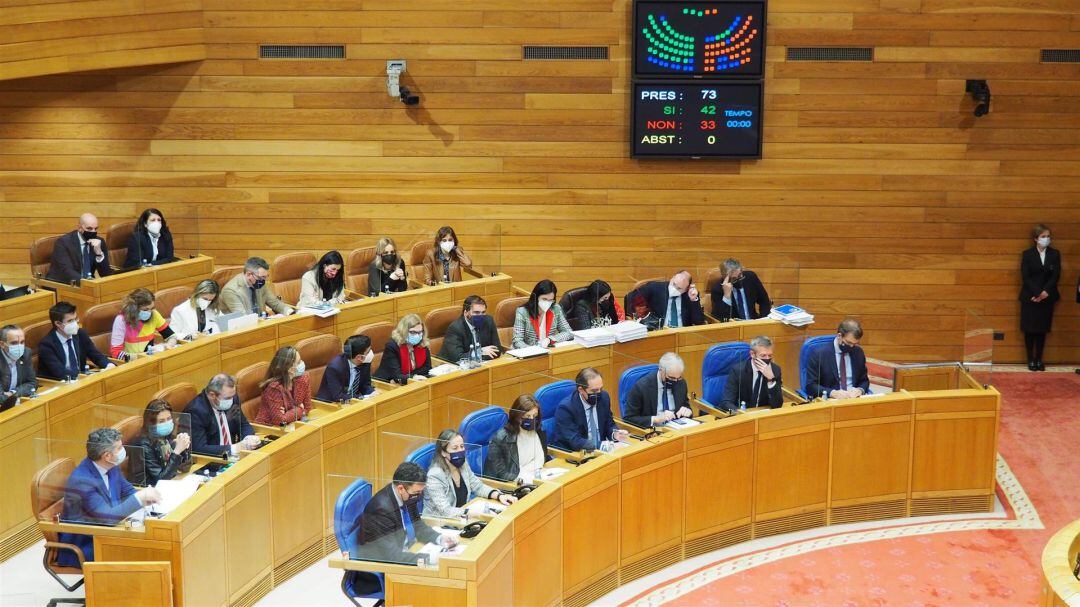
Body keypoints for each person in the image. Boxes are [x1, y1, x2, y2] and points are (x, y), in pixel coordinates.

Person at [56, 428, 162, 567]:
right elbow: (108, 519)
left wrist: (147, 498)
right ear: (107, 456)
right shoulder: (82, 480)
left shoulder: (111, 466)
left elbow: (128, 490)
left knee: (157, 541)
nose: (123, 450)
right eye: (119, 448)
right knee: (149, 549)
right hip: (86, 542)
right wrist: (139, 499)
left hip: (108, 531)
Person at [351, 461, 458, 594]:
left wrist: (439, 538)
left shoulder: (408, 496)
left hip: (407, 552)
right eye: (416, 492)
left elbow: (418, 526)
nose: (418, 497)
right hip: (386, 569)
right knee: (446, 583)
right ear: (401, 488)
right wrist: (428, 558)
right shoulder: (381, 509)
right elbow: (391, 556)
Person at [424, 429, 516, 519]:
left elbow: (478, 487)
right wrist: (469, 513)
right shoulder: (435, 475)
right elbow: (445, 511)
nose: (460, 451)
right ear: (443, 452)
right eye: (455, 448)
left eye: (462, 446)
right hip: (441, 523)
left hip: (463, 516)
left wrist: (499, 495)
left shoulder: (463, 464)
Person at [551, 367, 629, 451]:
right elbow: (575, 441)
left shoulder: (604, 398)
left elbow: (609, 424)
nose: (599, 394)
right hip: (577, 455)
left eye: (601, 389)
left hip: (601, 451)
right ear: (581, 390)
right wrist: (601, 446)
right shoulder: (566, 409)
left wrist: (615, 434)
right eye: (594, 391)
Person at [1019, 223, 1061, 371]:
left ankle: (1039, 359)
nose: (1046, 239)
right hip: (1030, 296)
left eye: (1048, 236)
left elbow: (1055, 275)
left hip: (1048, 297)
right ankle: (1030, 359)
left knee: (1042, 329)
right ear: (1036, 238)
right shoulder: (1027, 254)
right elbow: (1026, 277)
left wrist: (1044, 293)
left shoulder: (1054, 254)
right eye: (1043, 236)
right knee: (1030, 329)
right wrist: (1037, 293)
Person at [186, 374, 261, 457]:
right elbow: (199, 448)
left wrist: (249, 438)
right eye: (228, 398)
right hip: (213, 459)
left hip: (236, 456)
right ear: (212, 395)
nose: (232, 401)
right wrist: (233, 448)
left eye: (232, 396)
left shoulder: (232, 398)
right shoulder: (196, 411)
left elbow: (243, 424)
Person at [37, 301, 113, 380]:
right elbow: (59, 372)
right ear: (58, 324)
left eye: (75, 319)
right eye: (70, 321)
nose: (74, 323)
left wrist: (108, 365)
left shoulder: (80, 334)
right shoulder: (46, 345)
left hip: (81, 379)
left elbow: (95, 354)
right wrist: (84, 377)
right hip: (59, 384)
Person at [484, 395, 550, 483]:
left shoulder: (539, 430)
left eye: (535, 416)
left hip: (533, 476)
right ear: (517, 416)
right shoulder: (500, 439)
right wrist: (523, 478)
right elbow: (500, 474)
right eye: (527, 416)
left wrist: (534, 472)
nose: (532, 419)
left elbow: (541, 458)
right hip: (511, 485)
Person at [804, 318, 870, 400]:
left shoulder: (858, 352)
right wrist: (832, 393)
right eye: (848, 343)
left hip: (854, 399)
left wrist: (860, 390)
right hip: (830, 400)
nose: (851, 347)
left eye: (855, 344)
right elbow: (811, 386)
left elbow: (864, 380)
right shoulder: (819, 354)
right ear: (839, 336)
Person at [623, 352, 693, 428]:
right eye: (671, 378)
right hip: (653, 433)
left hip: (676, 431)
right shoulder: (641, 387)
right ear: (661, 370)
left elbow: (685, 406)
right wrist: (655, 419)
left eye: (678, 377)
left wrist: (688, 411)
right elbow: (629, 419)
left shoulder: (680, 383)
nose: (675, 381)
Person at [133, 399, 191, 486]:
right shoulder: (144, 444)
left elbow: (185, 468)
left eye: (169, 419)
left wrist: (183, 447)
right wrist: (177, 451)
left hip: (172, 481)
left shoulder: (165, 435)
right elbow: (161, 479)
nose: (167, 423)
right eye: (161, 421)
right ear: (151, 423)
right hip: (151, 489)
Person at [719, 336, 784, 412]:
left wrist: (771, 380)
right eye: (763, 355)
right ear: (752, 354)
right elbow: (726, 402)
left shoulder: (775, 370)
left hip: (763, 415)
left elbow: (777, 405)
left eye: (770, 355)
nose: (767, 359)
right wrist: (741, 414)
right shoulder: (738, 371)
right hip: (742, 415)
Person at [110, 288, 178, 359]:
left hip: (151, 359)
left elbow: (171, 336)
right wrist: (140, 357)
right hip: (131, 363)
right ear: (134, 308)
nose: (149, 312)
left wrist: (169, 345)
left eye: (151, 308)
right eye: (145, 309)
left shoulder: (154, 314)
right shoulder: (121, 320)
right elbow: (115, 352)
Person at [45, 213, 113, 283]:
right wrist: (87, 284)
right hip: (65, 284)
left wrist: (99, 254)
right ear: (79, 228)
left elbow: (105, 274)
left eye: (95, 229)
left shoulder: (99, 242)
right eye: (89, 228)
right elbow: (66, 271)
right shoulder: (63, 242)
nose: (93, 232)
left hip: (88, 284)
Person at [255, 346, 312, 426]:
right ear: (289, 368)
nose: (302, 363)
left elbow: (307, 407)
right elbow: (279, 420)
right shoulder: (274, 387)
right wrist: (299, 409)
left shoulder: (304, 378)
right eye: (298, 362)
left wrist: (288, 413)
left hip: (292, 424)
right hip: (270, 429)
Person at [219, 257, 292, 316]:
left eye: (266, 277)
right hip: (239, 329)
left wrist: (289, 311)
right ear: (249, 274)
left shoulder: (259, 284)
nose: (263, 280)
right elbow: (242, 317)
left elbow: (275, 303)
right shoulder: (231, 291)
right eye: (261, 278)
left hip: (259, 322)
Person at [438, 295, 502, 363]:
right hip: (451, 367)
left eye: (483, 312)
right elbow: (458, 358)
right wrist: (480, 352)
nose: (481, 316)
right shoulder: (455, 328)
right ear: (466, 313)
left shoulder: (488, 321)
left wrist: (476, 357)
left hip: (478, 366)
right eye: (476, 312)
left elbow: (497, 351)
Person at [511, 279, 573, 349]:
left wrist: (550, 339)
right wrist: (533, 351)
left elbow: (569, 332)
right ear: (535, 297)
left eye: (550, 300)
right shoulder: (522, 312)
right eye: (544, 299)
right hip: (528, 353)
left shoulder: (556, 309)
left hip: (547, 351)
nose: (547, 303)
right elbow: (517, 341)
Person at [373, 314, 432, 384]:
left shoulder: (423, 343)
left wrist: (412, 376)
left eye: (420, 332)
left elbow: (427, 368)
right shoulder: (392, 346)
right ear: (404, 331)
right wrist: (413, 377)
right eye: (413, 332)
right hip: (385, 383)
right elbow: (396, 375)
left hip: (409, 382)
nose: (417, 335)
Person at [316, 335, 375, 402]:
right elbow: (338, 396)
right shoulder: (335, 368)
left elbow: (365, 385)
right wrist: (362, 397)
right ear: (359, 357)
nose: (371, 353)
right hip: (331, 404)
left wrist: (373, 393)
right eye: (368, 351)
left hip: (352, 401)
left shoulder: (365, 361)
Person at [638, 271, 705, 328]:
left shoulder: (690, 295)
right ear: (672, 278)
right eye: (674, 284)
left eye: (679, 288)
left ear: (687, 289)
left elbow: (699, 322)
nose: (674, 288)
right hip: (659, 332)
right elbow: (632, 300)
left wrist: (693, 300)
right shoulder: (655, 288)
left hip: (682, 335)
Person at [1, 324, 37, 398]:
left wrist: (13, 393)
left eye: (22, 342)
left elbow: (32, 383)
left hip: (15, 400)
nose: (19, 346)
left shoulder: (26, 353)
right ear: (2, 344)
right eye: (14, 343)